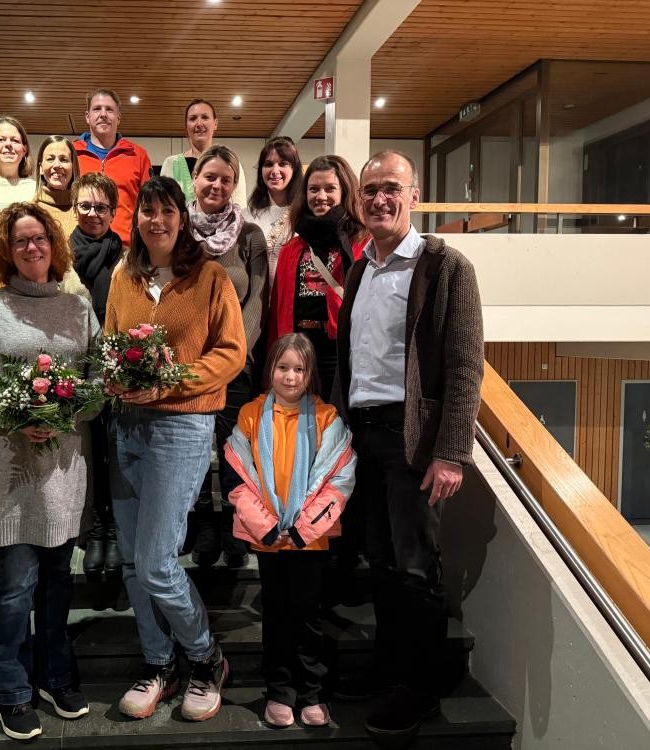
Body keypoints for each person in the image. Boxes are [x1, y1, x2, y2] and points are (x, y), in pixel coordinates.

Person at [332, 150, 483, 741]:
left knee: (416, 568)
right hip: (364, 435)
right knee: (384, 563)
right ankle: (391, 673)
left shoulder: (446, 266)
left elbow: (467, 366)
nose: (378, 199)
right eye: (369, 190)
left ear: (414, 195)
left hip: (413, 440)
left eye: (391, 188)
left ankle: (419, 687)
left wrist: (451, 452)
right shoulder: (361, 269)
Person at [0, 202, 101, 742]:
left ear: (54, 246)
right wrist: (12, 418)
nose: (32, 248)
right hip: (8, 470)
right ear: (5, 251)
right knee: (17, 584)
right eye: (20, 241)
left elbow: (97, 380)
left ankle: (55, 673)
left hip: (63, 469)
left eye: (39, 239)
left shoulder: (78, 309)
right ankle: (10, 687)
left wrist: (65, 413)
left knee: (58, 580)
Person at [105, 177, 246, 722]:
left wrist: (170, 381)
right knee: (133, 562)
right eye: (147, 211)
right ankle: (159, 662)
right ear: (136, 218)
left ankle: (205, 657)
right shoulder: (125, 275)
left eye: (167, 211)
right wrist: (114, 376)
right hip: (127, 427)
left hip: (181, 427)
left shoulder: (209, 276)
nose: (156, 221)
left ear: (181, 219)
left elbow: (231, 353)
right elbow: (110, 340)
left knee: (159, 562)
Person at [224, 333, 356, 728]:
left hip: (309, 541)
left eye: (300, 369)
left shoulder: (327, 417)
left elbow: (338, 479)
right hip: (269, 543)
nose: (291, 376)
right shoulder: (249, 415)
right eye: (283, 367)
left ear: (311, 373)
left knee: (308, 616)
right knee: (276, 616)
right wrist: (267, 529)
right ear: (271, 370)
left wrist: (300, 531)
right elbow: (239, 478)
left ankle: (312, 692)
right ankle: (280, 691)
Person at [185, 145, 268, 569]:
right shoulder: (178, 231)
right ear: (195, 179)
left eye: (226, 179)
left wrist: (236, 354)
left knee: (234, 449)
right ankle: (203, 523)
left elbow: (256, 300)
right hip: (189, 364)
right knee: (196, 449)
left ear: (235, 186)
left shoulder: (250, 235)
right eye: (209, 176)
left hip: (237, 362)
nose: (216, 185)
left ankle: (236, 522)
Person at [268, 155, 367, 400]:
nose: (320, 196)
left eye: (330, 188)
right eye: (313, 189)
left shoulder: (362, 244)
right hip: (298, 352)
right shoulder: (292, 248)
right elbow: (277, 309)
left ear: (344, 191)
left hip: (341, 350)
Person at [69, 172, 124, 576]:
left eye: (101, 207)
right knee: (82, 453)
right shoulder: (58, 253)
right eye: (85, 205)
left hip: (113, 366)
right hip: (72, 365)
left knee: (112, 451)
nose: (92, 214)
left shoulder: (125, 254)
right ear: (75, 207)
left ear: (113, 212)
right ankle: (91, 526)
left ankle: (111, 529)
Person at [74, 89, 152, 246]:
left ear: (118, 117)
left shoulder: (138, 155)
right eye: (97, 108)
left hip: (125, 250)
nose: (103, 114)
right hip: (79, 247)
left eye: (109, 109)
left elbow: (149, 205)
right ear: (87, 117)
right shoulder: (71, 153)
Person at [160, 98, 249, 206]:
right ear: (186, 126)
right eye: (192, 119)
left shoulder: (231, 163)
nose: (199, 123)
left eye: (205, 117)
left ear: (215, 123)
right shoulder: (171, 163)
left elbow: (239, 207)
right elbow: (165, 206)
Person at [243, 136, 304, 285]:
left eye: (283, 164)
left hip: (291, 301)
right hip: (254, 301)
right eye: (268, 164)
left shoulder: (304, 214)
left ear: (294, 169)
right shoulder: (246, 215)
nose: (275, 171)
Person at [34, 135, 81, 239]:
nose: (56, 165)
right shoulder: (29, 210)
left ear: (73, 167)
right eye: (50, 159)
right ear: (41, 168)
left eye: (64, 159)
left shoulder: (84, 210)